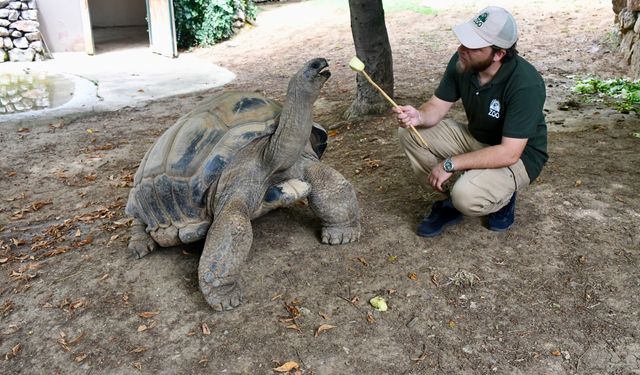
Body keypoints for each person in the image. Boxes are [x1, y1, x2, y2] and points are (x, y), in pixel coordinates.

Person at [394, 6, 548, 237]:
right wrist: (420, 116)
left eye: (472, 46)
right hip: (477, 139)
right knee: (409, 133)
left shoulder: (525, 83)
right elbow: (437, 106)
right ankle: (449, 201)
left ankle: (501, 197)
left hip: (519, 156)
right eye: (463, 42)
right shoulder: (463, 61)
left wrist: (450, 164)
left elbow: (509, 153)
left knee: (466, 196)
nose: (461, 49)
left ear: (498, 54)